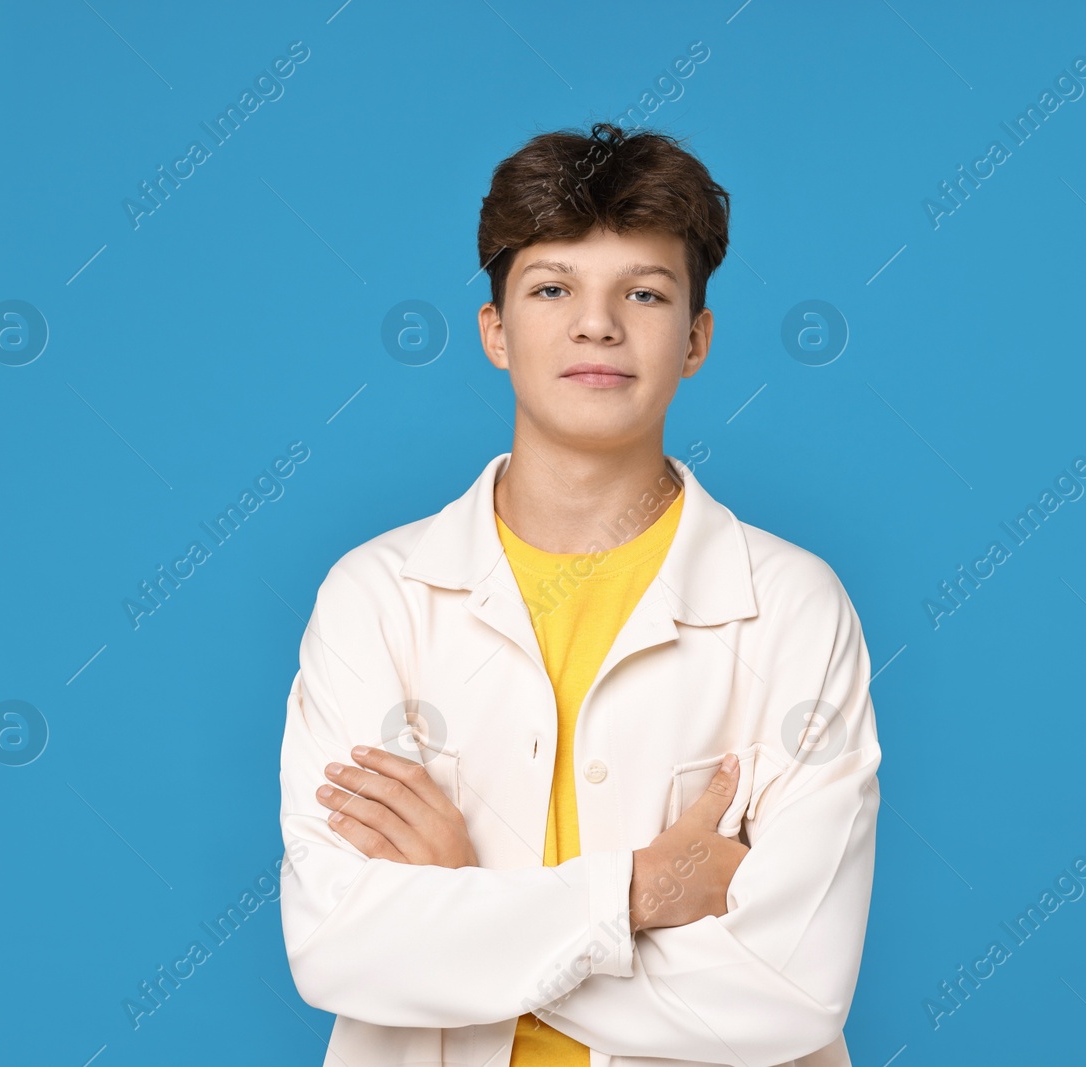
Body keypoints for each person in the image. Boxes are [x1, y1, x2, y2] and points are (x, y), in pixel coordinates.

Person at [278, 122, 882, 1067]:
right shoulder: (377, 598)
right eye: (552, 288)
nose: (596, 323)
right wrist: (638, 893)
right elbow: (338, 948)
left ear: (696, 339)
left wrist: (468, 906)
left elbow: (790, 995)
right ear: (494, 331)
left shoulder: (796, 607)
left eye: (643, 293)